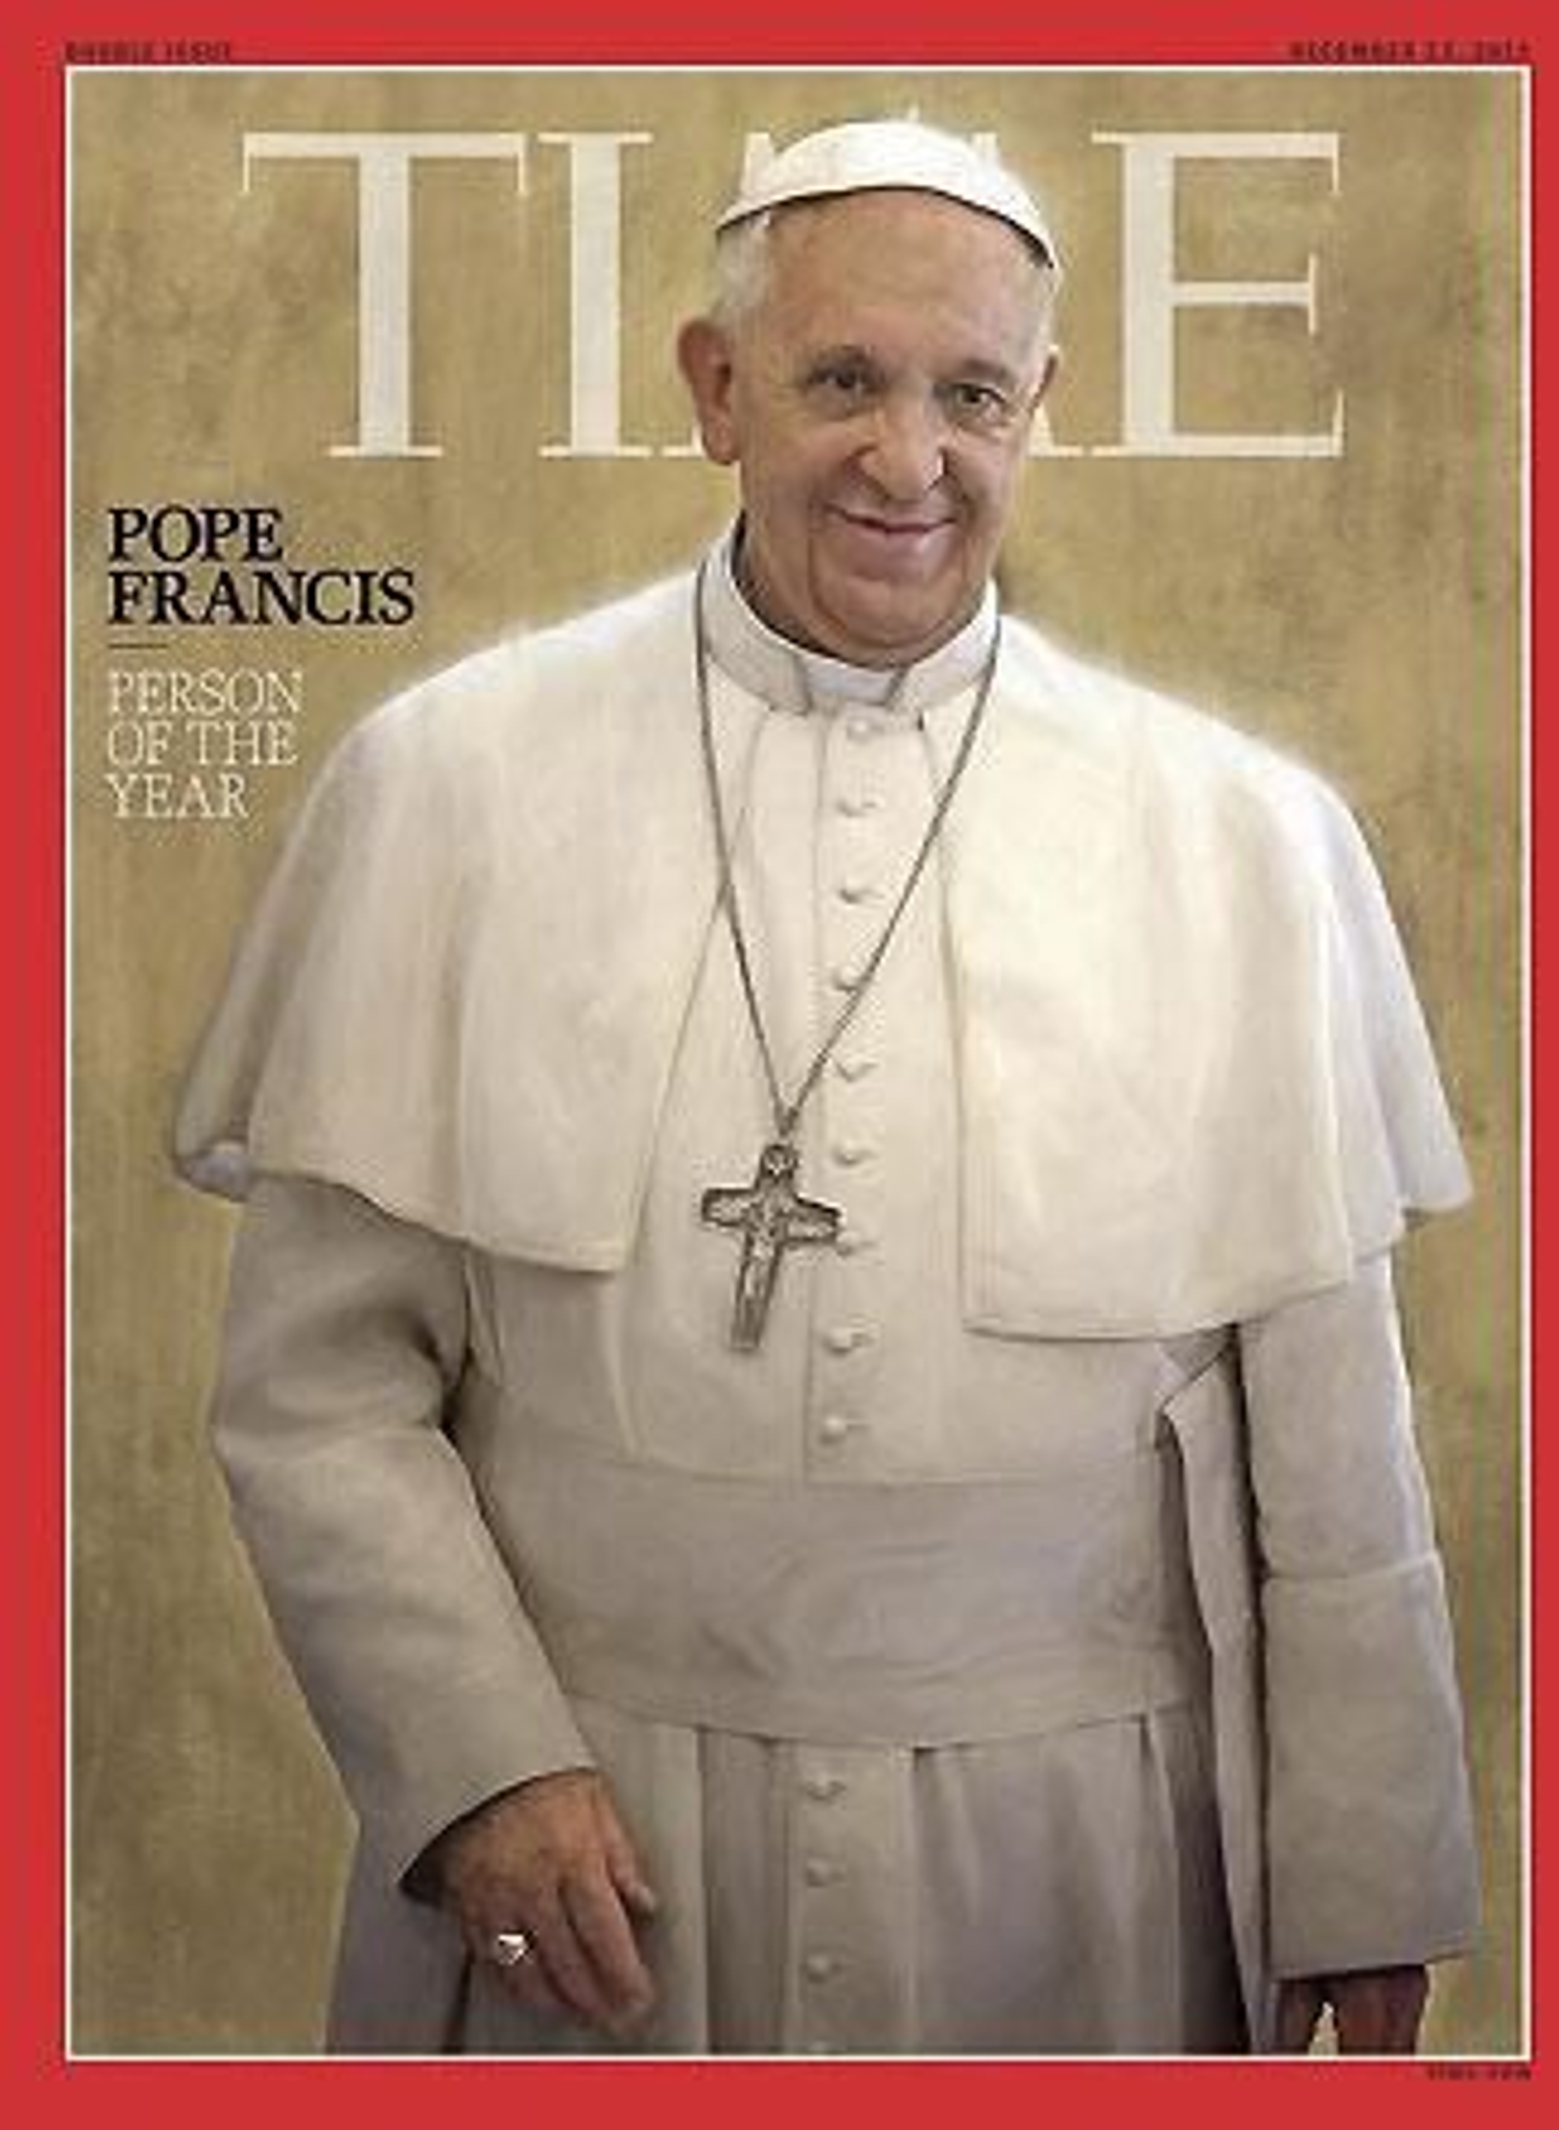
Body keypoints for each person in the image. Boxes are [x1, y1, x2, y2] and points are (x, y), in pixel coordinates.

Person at [175, 118, 1481, 2056]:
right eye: (842, 380)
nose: (907, 459)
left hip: (1087, 1849)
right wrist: (473, 1769)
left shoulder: (1242, 841)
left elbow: (1332, 1436)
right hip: (596, 1832)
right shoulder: (447, 787)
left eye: (970, 395)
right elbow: (317, 1390)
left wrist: (1363, 1869)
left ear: (1036, 407)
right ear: (717, 390)